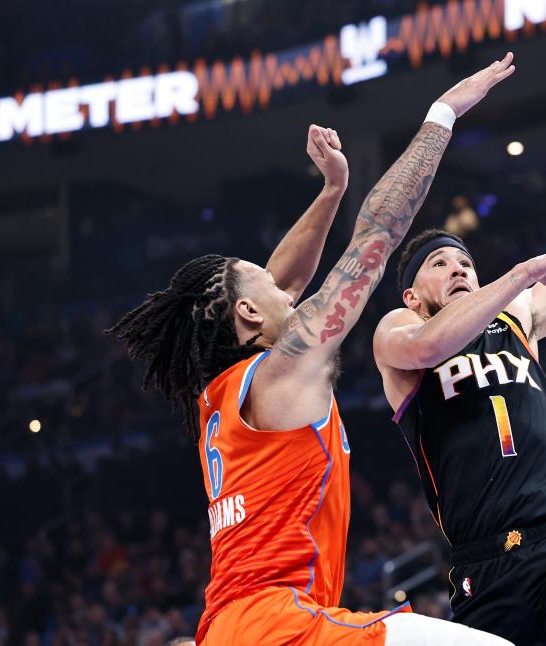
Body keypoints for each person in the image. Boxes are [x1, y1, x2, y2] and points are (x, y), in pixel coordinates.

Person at [110, 54, 518, 646]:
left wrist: (332, 190)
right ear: (248, 314)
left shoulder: (225, 392)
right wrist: (441, 115)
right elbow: (378, 235)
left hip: (231, 625)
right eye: (269, 287)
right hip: (278, 623)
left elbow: (284, 280)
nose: (287, 289)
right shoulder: (281, 372)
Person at [373, 164, 546, 644]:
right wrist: (523, 273)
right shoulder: (398, 329)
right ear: (412, 296)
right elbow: (427, 347)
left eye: (464, 263)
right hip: (483, 567)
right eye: (439, 263)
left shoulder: (514, 317)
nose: (457, 268)